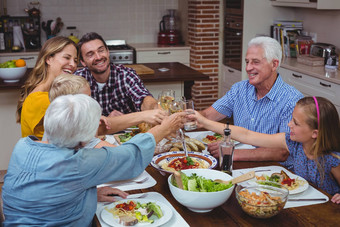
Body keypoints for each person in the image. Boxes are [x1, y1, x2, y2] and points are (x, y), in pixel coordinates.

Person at [2, 94, 185, 226]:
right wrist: (164, 128)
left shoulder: (22, 146)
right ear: (83, 140)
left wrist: (85, 194)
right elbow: (131, 156)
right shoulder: (77, 163)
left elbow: (41, 191)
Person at [195, 96, 340, 204]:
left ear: (315, 133)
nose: (289, 124)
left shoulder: (332, 159)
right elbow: (247, 135)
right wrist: (205, 122)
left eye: (295, 123)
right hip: (302, 203)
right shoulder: (293, 143)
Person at [201, 36, 303, 162]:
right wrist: (182, 117)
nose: (248, 68)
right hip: (239, 162)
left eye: (255, 62)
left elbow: (282, 151)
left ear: (274, 64)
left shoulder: (292, 100)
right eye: (247, 62)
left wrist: (232, 152)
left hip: (274, 171)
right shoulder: (239, 89)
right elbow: (207, 115)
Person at [74, 32, 158, 117]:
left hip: (128, 129)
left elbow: (143, 98)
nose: (98, 57)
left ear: (108, 52)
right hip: (94, 130)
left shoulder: (126, 75)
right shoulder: (77, 80)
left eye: (101, 50)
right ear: (83, 62)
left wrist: (154, 107)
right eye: (90, 54)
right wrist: (108, 121)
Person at [16, 36, 78, 140]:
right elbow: (70, 137)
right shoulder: (40, 99)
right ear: (48, 59)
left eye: (75, 60)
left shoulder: (51, 93)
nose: (73, 64)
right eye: (67, 58)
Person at [47, 73, 114, 148]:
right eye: (87, 98)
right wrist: (92, 124)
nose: (92, 100)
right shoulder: (78, 134)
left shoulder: (53, 124)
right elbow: (100, 147)